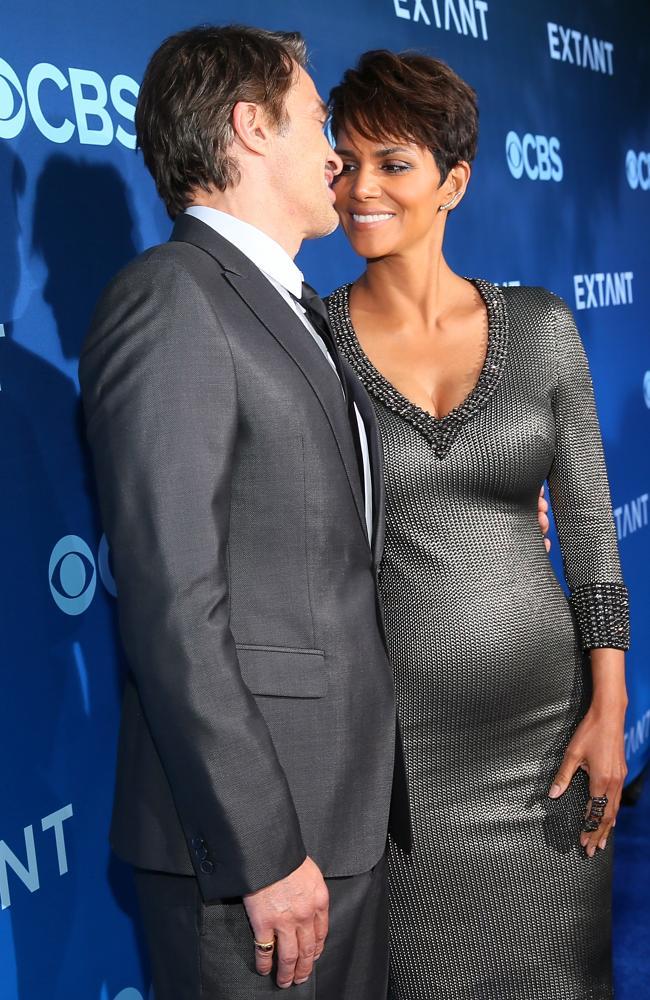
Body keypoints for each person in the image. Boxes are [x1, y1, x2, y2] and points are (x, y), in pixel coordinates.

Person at [79, 25, 411, 999]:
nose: (336, 153)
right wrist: (261, 849)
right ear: (249, 128)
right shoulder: (172, 299)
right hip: (254, 858)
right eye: (316, 122)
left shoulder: (289, 304)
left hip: (335, 820)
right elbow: (173, 606)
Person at [326, 50, 630, 1000]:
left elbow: (589, 536)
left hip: (548, 742)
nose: (360, 190)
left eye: (394, 164)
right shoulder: (312, 341)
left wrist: (610, 709)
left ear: (454, 181)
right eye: (345, 162)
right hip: (403, 765)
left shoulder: (541, 327)